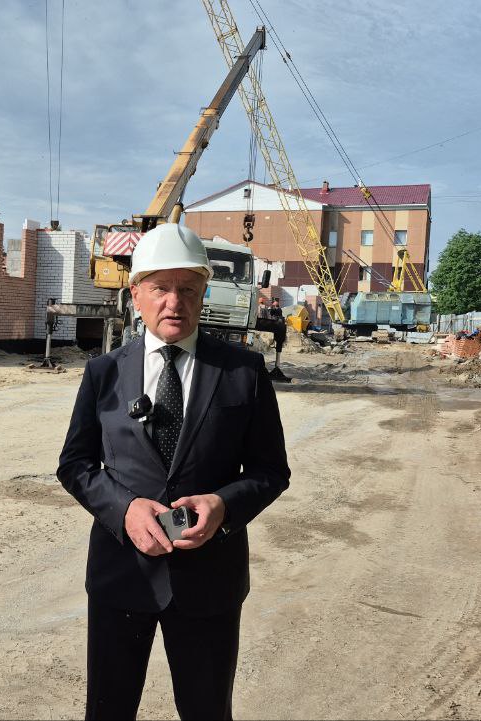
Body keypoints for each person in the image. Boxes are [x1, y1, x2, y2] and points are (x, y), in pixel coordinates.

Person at [57, 223, 291, 720]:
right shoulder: (103, 373)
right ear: (136, 294)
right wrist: (124, 509)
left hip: (210, 582)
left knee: (207, 710)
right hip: (122, 577)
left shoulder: (243, 372)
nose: (174, 302)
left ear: (203, 294)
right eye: (161, 287)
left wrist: (223, 505)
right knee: (108, 710)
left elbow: (271, 470)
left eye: (187, 288)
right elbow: (75, 465)